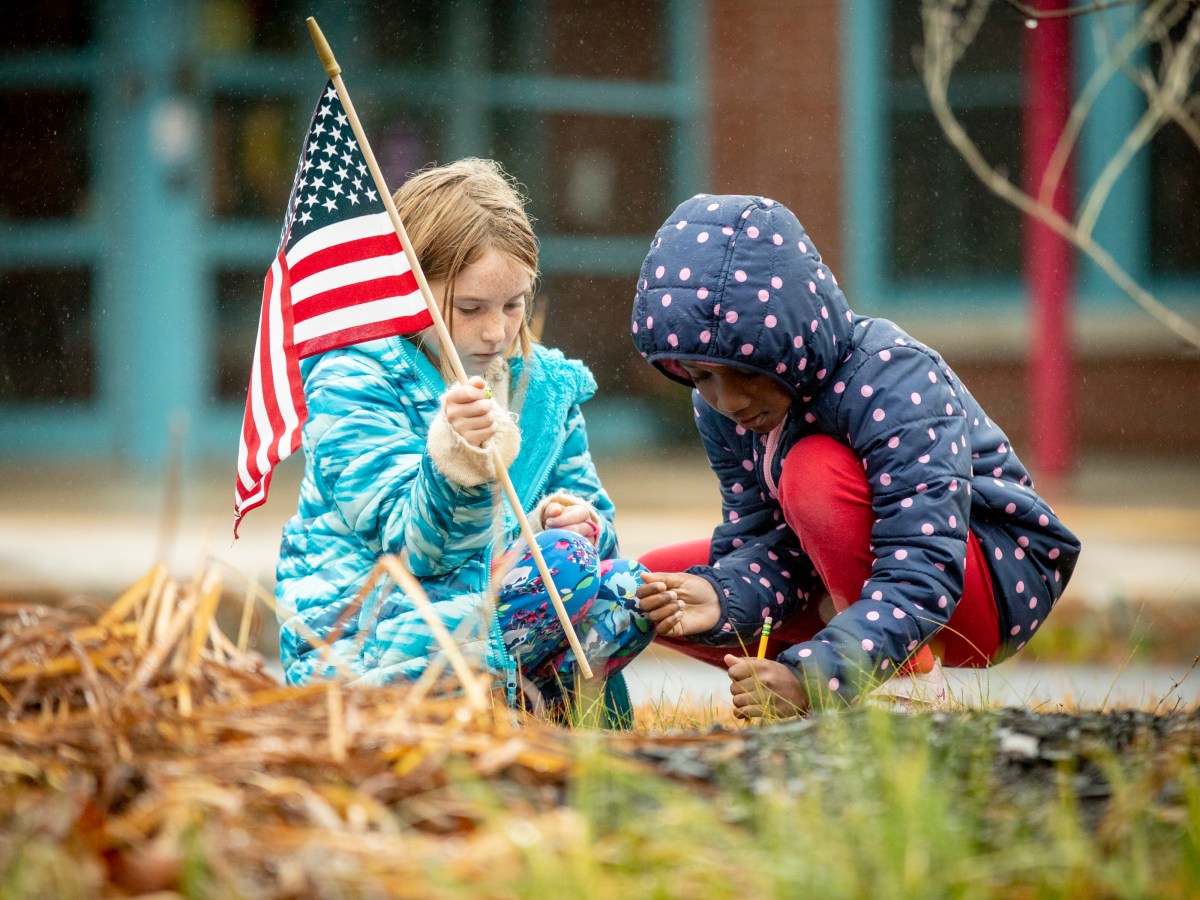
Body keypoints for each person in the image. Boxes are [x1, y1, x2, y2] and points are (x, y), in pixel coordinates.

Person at [630, 194, 1082, 718]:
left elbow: (923, 564)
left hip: (984, 580)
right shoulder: (721, 415)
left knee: (810, 473)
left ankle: (893, 690)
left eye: (748, 372)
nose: (730, 402)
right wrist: (723, 597)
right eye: (703, 377)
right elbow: (765, 545)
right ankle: (816, 689)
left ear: (792, 339)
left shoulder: (892, 376)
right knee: (658, 584)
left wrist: (821, 676)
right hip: (856, 586)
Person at [275, 158, 652, 719]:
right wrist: (456, 461)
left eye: (514, 304)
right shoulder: (355, 380)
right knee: (548, 579)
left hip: (495, 616)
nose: (497, 331)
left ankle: (538, 712)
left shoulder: (542, 386)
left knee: (627, 591)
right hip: (375, 637)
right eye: (471, 308)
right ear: (409, 287)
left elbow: (595, 525)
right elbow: (412, 550)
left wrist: (575, 520)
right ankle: (498, 709)